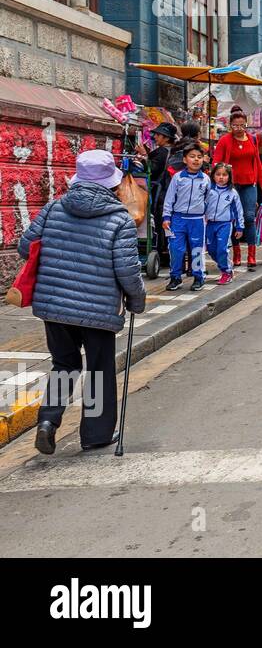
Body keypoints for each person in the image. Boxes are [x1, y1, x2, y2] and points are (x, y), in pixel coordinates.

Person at [20, 150, 147, 455]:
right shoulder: (120, 219)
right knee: (100, 368)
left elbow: (27, 246)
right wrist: (137, 300)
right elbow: (127, 270)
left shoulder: (53, 208)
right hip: (99, 309)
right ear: (110, 184)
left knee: (64, 364)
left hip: (54, 305)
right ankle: (95, 435)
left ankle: (48, 422)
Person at [212, 110, 262, 272]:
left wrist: (261, 183)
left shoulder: (252, 139)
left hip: (250, 183)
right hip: (231, 186)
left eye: (242, 125)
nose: (239, 128)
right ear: (230, 126)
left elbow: (256, 161)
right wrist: (217, 180)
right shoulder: (224, 141)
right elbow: (216, 161)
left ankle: (251, 254)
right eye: (235, 125)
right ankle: (236, 254)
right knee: (233, 218)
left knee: (249, 217)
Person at [163, 145, 210, 291]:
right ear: (185, 159)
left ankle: (198, 277)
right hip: (177, 219)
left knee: (196, 250)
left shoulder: (206, 179)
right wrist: (166, 217)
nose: (196, 159)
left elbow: (209, 200)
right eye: (192, 156)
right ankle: (175, 277)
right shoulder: (178, 178)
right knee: (176, 249)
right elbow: (169, 198)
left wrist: (208, 217)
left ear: (203, 159)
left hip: (197, 220)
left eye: (199, 157)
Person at [205, 163, 244, 285]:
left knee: (222, 248)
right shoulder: (209, 190)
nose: (221, 177)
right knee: (211, 250)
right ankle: (226, 263)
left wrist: (240, 227)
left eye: (224, 175)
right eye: (218, 174)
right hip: (210, 224)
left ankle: (226, 271)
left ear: (229, 177)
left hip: (225, 225)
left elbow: (238, 211)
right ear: (213, 176)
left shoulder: (232, 193)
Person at [146, 123, 177, 268]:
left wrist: (144, 159)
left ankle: (162, 253)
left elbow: (152, 170)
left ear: (166, 138)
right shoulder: (171, 152)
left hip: (160, 194)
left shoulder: (162, 152)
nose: (155, 137)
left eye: (158, 135)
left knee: (160, 224)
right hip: (168, 193)